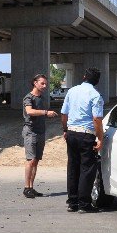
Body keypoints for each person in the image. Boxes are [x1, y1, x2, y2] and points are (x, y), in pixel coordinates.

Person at [60, 67, 104, 213]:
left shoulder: (72, 91)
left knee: (73, 167)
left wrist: (65, 130)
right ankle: (84, 204)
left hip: (71, 133)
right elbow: (97, 119)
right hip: (86, 135)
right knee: (87, 169)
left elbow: (64, 114)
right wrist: (100, 138)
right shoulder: (95, 95)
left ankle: (72, 202)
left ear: (84, 76)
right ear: (97, 81)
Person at [22, 73, 58, 198]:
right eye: (42, 83)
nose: (44, 86)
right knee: (30, 160)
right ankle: (26, 187)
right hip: (30, 132)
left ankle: (31, 187)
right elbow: (29, 111)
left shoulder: (41, 98)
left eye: (45, 84)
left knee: (36, 160)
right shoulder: (28, 97)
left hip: (40, 132)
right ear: (35, 83)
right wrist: (46, 112)